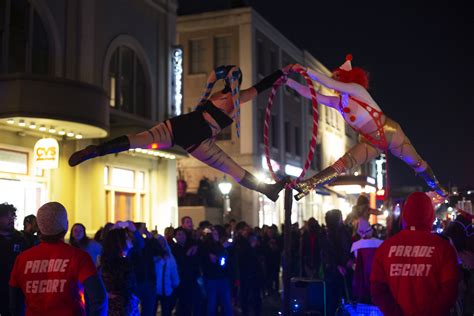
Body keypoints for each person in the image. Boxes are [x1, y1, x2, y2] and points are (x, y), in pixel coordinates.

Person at [69, 65, 291, 202]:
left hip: (180, 126)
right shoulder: (236, 98)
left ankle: (97, 150)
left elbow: (222, 77)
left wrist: (279, 73)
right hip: (197, 139)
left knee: (139, 139)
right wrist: (281, 73)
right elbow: (262, 86)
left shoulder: (214, 94)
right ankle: (268, 191)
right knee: (233, 169)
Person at [286, 56, 448, 199]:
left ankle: (436, 186)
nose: (334, 79)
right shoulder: (338, 103)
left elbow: (327, 82)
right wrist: (288, 82)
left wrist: (305, 70)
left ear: (346, 78)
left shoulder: (357, 90)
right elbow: (311, 94)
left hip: (389, 132)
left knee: (417, 163)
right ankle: (308, 185)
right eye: (334, 76)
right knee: (342, 164)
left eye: (337, 76)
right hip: (370, 142)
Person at [8, 202, 107, 316]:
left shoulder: (22, 259)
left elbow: (15, 302)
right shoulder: (79, 257)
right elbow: (98, 298)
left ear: (39, 227)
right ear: (66, 226)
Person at [370, 192, 459, 316]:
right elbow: (450, 290)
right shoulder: (444, 248)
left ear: (405, 215)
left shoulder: (384, 248)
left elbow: (377, 290)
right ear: (431, 216)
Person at [100, 223, 140, 315]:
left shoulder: (114, 262)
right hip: (119, 308)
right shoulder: (117, 264)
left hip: (122, 306)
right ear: (119, 242)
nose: (130, 239)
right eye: (126, 237)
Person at [0, 203, 28, 316]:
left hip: (18, 290)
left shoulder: (21, 239)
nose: (11, 219)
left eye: (12, 216)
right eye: (7, 216)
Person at [350, 218, 383, 303]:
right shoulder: (380, 243)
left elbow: (356, 263)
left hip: (362, 280)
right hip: (377, 278)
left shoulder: (356, 246)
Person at [154, 235, 180, 316]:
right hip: (154, 289)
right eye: (159, 242)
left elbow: (174, 270)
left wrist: (175, 283)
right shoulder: (153, 256)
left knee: (166, 311)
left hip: (166, 289)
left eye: (162, 242)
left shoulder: (170, 257)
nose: (161, 244)